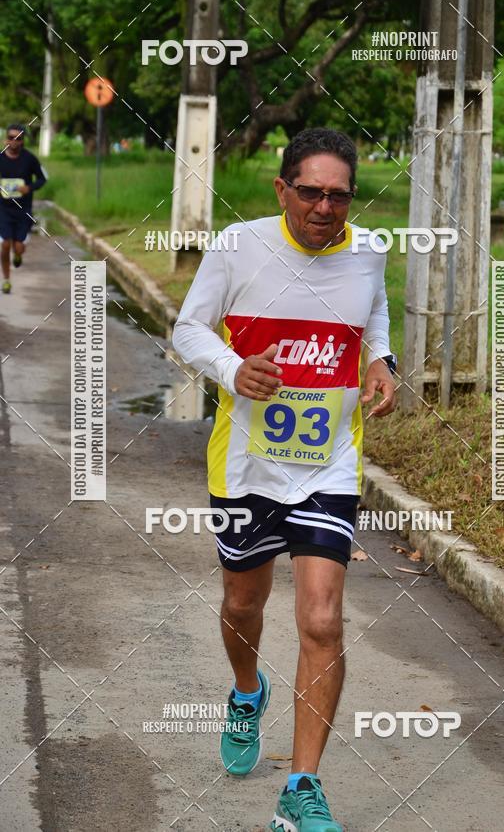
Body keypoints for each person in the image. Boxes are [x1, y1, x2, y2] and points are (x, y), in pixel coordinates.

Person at [173, 127, 396, 831]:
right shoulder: (238, 247)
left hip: (328, 463)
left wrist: (381, 360)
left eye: (339, 196)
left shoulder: (369, 251)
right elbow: (187, 328)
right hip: (244, 465)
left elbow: (374, 312)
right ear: (282, 190)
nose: (325, 208)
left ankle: (301, 789)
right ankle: (247, 691)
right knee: (243, 603)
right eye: (311, 192)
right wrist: (232, 368)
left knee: (322, 620)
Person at [0, 124, 48, 294]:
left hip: (23, 209)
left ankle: (18, 254)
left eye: (18, 138)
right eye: (11, 137)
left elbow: (43, 178)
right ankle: (6, 280)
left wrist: (29, 187)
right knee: (5, 244)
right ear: (6, 140)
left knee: (19, 246)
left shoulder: (30, 159)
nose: (14, 141)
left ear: (22, 141)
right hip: (3, 209)